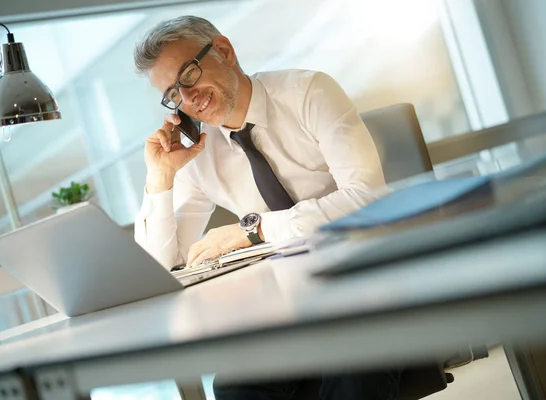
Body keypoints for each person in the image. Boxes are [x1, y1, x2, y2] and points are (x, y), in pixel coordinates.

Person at [133, 15, 399, 400]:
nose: (188, 99)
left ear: (223, 50)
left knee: (350, 368)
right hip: (285, 309)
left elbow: (367, 198)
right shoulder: (200, 154)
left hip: (366, 285)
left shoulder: (310, 92)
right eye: (173, 93)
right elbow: (160, 272)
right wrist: (160, 180)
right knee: (234, 387)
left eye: (188, 75)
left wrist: (253, 231)